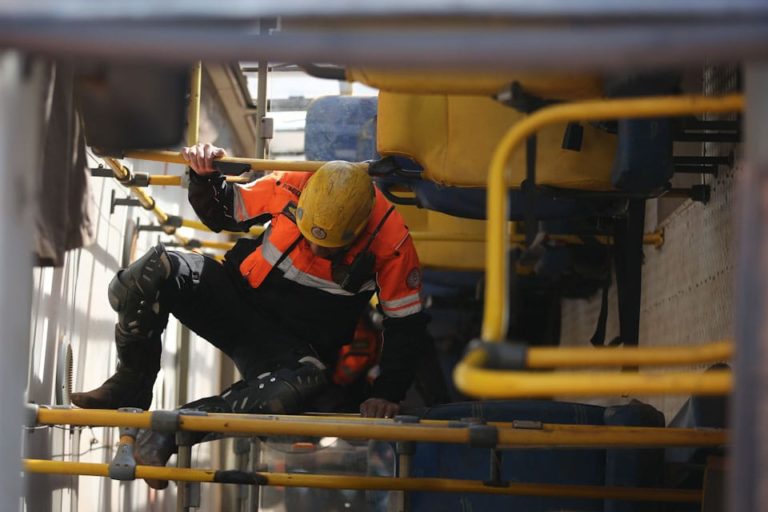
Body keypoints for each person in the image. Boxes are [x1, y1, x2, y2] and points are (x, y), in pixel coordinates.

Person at [71, 143, 430, 421]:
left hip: (288, 348)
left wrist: (388, 392)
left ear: (360, 231)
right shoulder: (295, 182)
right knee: (150, 271)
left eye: (330, 247)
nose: (317, 249)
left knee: (289, 392)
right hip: (235, 299)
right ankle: (131, 384)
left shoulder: (393, 244)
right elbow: (224, 211)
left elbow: (406, 326)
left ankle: (175, 428)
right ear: (301, 204)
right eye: (310, 236)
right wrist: (205, 174)